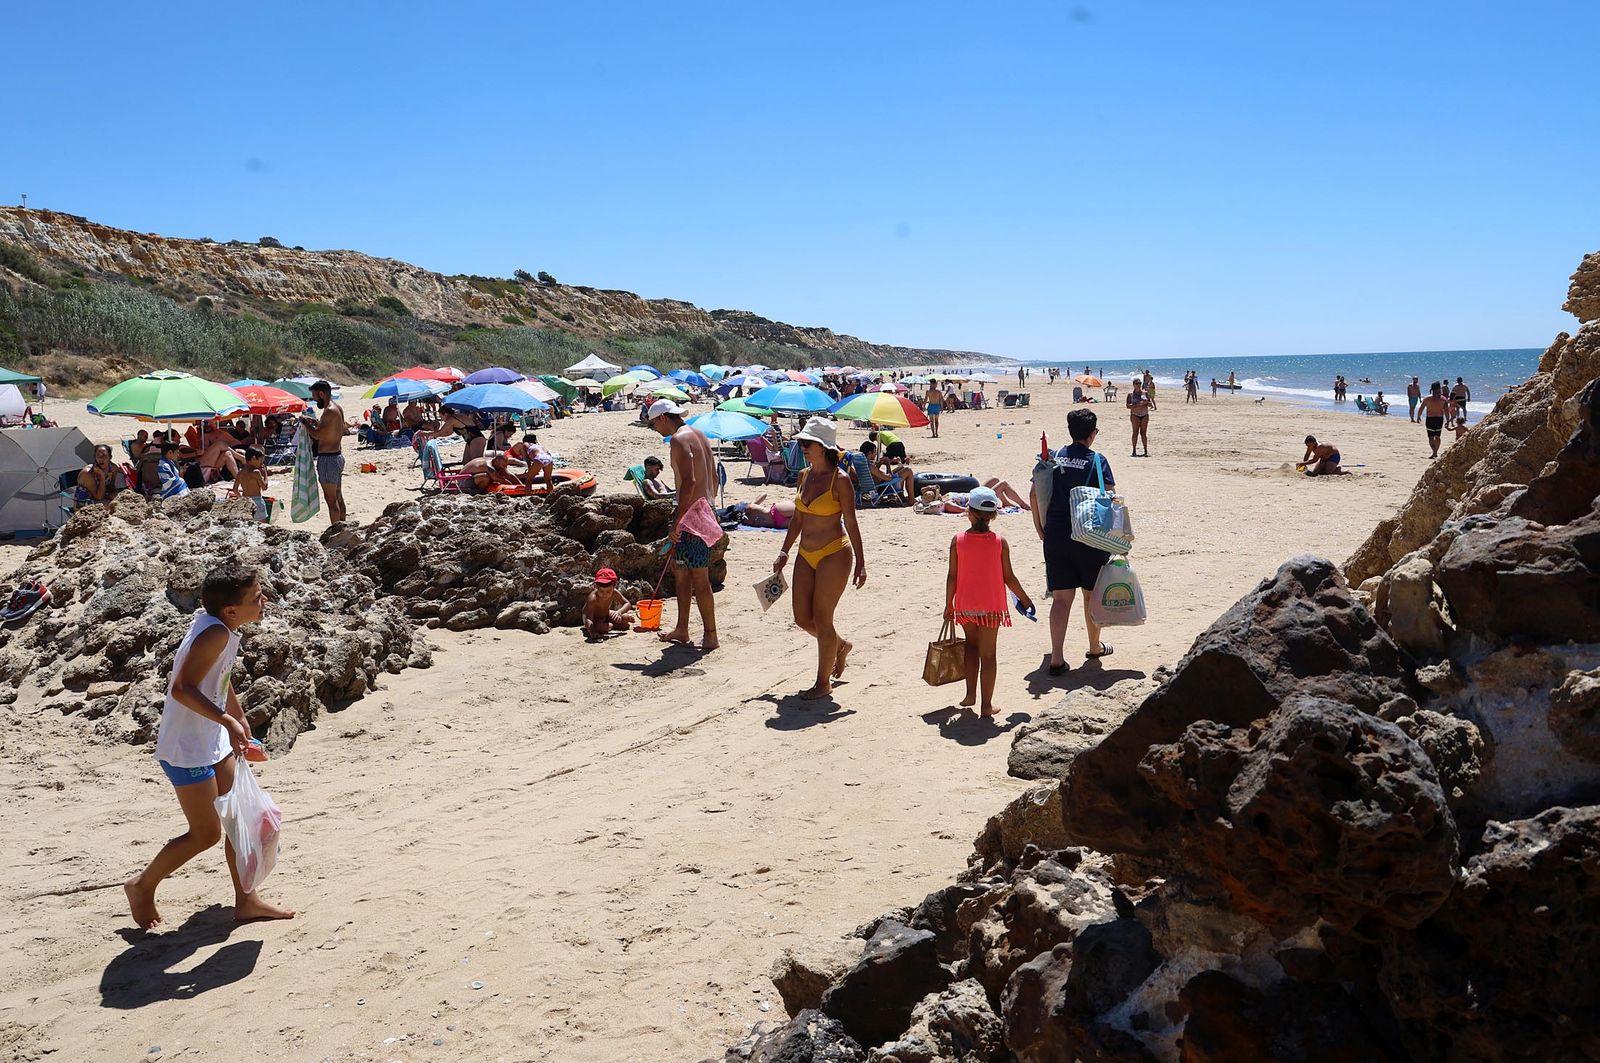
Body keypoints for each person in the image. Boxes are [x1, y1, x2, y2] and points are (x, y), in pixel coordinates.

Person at [123, 565, 294, 931]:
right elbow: (181, 689)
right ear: (231, 609)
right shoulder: (214, 633)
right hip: (186, 749)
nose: (264, 600)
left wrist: (239, 718)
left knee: (240, 820)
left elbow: (218, 676)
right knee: (205, 834)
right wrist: (227, 721)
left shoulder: (221, 627)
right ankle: (142, 885)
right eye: (256, 597)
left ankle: (246, 900)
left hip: (211, 739)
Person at [774, 417, 866, 699]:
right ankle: (840, 645)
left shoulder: (841, 481)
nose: (803, 446)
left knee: (823, 618)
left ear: (824, 447)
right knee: (802, 618)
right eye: (802, 442)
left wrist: (861, 562)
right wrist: (784, 551)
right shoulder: (804, 475)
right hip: (805, 552)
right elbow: (798, 518)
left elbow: (852, 523)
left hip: (834, 552)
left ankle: (822, 684)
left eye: (808, 442)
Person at [1031, 408, 1115, 675]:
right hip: (1090, 537)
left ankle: (1056, 658)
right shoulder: (1098, 461)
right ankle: (1094, 647)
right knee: (1091, 595)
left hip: (1056, 534)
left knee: (1061, 600)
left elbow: (1035, 493)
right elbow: (1109, 498)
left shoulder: (1054, 458)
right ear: (1093, 433)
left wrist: (1040, 528)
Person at [943, 487, 1033, 717]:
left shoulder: (958, 541)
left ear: (969, 513)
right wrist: (1025, 599)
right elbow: (1009, 577)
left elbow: (952, 576)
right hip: (991, 607)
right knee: (988, 655)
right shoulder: (1000, 542)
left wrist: (948, 604)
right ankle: (986, 705)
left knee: (971, 647)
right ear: (993, 515)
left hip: (965, 605)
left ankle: (970, 695)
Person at [647, 399, 722, 651]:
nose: (655, 429)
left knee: (699, 577)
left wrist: (678, 520)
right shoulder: (700, 435)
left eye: (654, 424)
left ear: (663, 418)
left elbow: (689, 482)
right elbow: (713, 477)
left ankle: (710, 635)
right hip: (705, 509)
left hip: (691, 515)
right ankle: (682, 629)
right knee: (680, 573)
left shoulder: (678, 440)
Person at [304, 380, 348, 523]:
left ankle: (335, 530)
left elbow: (318, 435)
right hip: (337, 456)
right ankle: (343, 526)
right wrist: (315, 423)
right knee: (338, 497)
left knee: (331, 500)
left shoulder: (328, 411)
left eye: (315, 396)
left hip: (328, 460)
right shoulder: (337, 408)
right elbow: (330, 430)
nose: (315, 400)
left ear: (322, 394)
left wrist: (305, 424)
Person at [915, 478, 1030, 514]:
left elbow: (922, 490)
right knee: (1003, 484)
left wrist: (930, 488)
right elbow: (965, 510)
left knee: (995, 479)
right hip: (977, 499)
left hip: (974, 493)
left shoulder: (945, 496)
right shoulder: (946, 504)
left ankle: (1005, 502)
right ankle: (1023, 504)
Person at [582, 568, 635, 639]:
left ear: (614, 586)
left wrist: (619, 612)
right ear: (596, 587)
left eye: (608, 591)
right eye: (601, 591)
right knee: (604, 627)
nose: (604, 594)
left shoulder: (614, 593)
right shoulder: (593, 598)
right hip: (593, 620)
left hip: (606, 614)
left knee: (625, 621)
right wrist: (593, 633)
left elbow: (627, 603)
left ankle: (613, 624)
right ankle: (613, 625)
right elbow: (588, 619)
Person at [236, 447, 271, 520]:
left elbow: (235, 489)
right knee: (261, 523)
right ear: (253, 458)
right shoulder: (256, 472)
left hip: (245, 501)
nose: (261, 463)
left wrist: (241, 498)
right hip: (257, 501)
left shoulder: (240, 473)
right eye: (260, 461)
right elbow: (264, 487)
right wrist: (265, 473)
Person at [1418, 381, 1450, 459]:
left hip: (1430, 419)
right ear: (1439, 389)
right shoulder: (1443, 399)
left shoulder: (1427, 399)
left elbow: (1421, 408)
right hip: (1439, 419)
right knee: (1437, 436)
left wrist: (1418, 416)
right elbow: (1446, 411)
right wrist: (1448, 420)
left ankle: (1434, 452)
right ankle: (1435, 452)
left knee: (1431, 437)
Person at [1126, 379, 1154, 457]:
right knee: (1135, 433)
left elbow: (1150, 404)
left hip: (1144, 414)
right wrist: (1137, 404)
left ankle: (1146, 450)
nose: (1139, 385)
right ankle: (1134, 451)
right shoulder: (1131, 395)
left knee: (1143, 433)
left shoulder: (1145, 393)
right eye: (1137, 383)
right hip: (1135, 415)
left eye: (1140, 383)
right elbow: (1128, 406)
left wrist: (1146, 403)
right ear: (1133, 385)